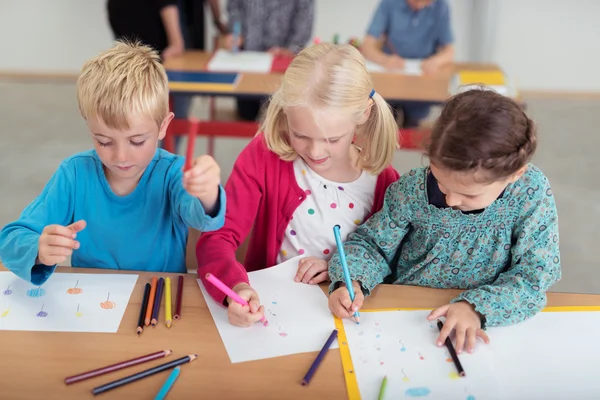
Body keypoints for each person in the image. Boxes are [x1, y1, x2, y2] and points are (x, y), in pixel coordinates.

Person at [328, 89, 561, 355]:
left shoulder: (531, 192)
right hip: (406, 316)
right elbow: (372, 246)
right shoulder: (412, 189)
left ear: (514, 174)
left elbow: (535, 275)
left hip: (487, 322)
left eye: (469, 194)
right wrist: (353, 280)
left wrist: (476, 308)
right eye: (440, 181)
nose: (450, 200)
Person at [197, 43, 401, 327]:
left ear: (364, 114)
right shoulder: (264, 157)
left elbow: (394, 263)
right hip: (272, 315)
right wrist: (236, 291)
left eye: (332, 139)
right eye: (300, 135)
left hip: (344, 321)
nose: (315, 152)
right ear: (284, 113)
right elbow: (217, 238)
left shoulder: (385, 183)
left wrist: (339, 271)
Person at [0, 42, 226, 285]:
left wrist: (207, 192)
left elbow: (203, 219)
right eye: (104, 141)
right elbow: (10, 240)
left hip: (161, 303)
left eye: (137, 141)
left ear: (163, 126)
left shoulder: (173, 173)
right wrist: (38, 248)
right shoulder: (75, 174)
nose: (120, 157)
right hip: (92, 305)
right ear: (89, 127)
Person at [107, 0, 190, 152]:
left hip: (156, 59)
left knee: (160, 121)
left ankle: (160, 164)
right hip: (139, 58)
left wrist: (175, 43)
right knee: (136, 120)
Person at [361, 0, 455, 127]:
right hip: (390, 81)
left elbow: (449, 51)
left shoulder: (441, 6)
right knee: (384, 122)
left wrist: (436, 61)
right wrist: (385, 60)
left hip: (422, 83)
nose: (420, 5)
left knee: (414, 125)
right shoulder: (388, 4)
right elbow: (367, 46)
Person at [224, 0, 315, 121]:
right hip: (248, 58)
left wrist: (291, 48)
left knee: (280, 118)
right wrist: (236, 32)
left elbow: (305, 15)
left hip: (282, 60)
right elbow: (234, 7)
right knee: (247, 116)